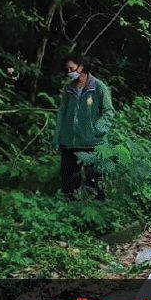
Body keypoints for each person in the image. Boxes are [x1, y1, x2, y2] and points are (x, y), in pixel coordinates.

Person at [54, 53, 114, 200]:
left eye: (72, 68)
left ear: (81, 67)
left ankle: (98, 213)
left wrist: (97, 129)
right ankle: (70, 209)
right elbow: (62, 114)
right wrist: (57, 138)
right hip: (70, 142)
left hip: (92, 143)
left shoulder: (99, 87)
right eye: (67, 70)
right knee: (68, 181)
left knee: (94, 182)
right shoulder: (68, 88)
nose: (69, 72)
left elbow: (108, 111)